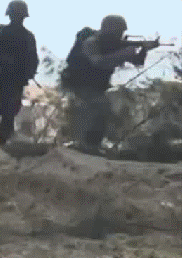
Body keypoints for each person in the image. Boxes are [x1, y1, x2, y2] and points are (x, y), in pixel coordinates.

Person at [59, 14, 160, 153]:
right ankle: (86, 145)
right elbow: (97, 61)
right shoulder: (92, 42)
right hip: (79, 83)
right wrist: (122, 54)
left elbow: (137, 62)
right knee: (98, 108)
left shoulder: (113, 46)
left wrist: (144, 49)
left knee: (105, 111)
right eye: (118, 32)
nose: (120, 36)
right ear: (109, 29)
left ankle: (92, 144)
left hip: (96, 85)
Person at [0, 0, 39, 145]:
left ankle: (1, 140)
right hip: (3, 77)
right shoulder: (5, 33)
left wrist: (29, 72)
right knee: (6, 111)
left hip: (10, 79)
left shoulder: (21, 35)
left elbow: (33, 59)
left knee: (9, 112)